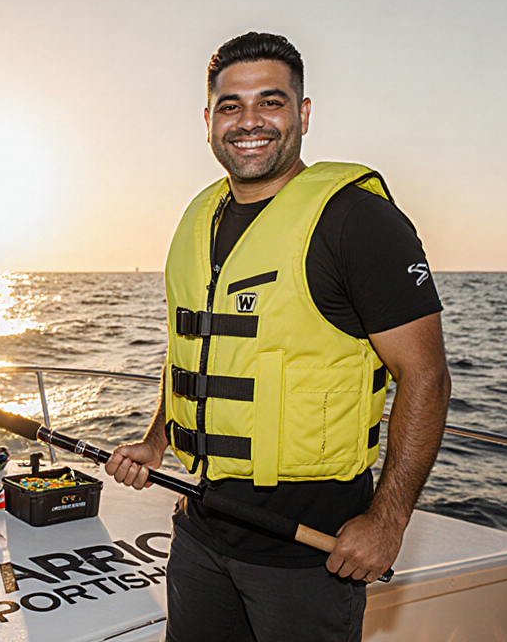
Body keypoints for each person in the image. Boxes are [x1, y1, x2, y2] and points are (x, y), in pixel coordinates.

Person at [105, 32, 451, 642]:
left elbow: (427, 376)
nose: (250, 122)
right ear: (208, 121)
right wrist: (155, 441)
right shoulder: (197, 218)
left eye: (272, 101)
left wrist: (388, 520)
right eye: (231, 106)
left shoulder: (357, 221)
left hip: (310, 554)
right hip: (200, 527)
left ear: (304, 113)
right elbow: (197, 350)